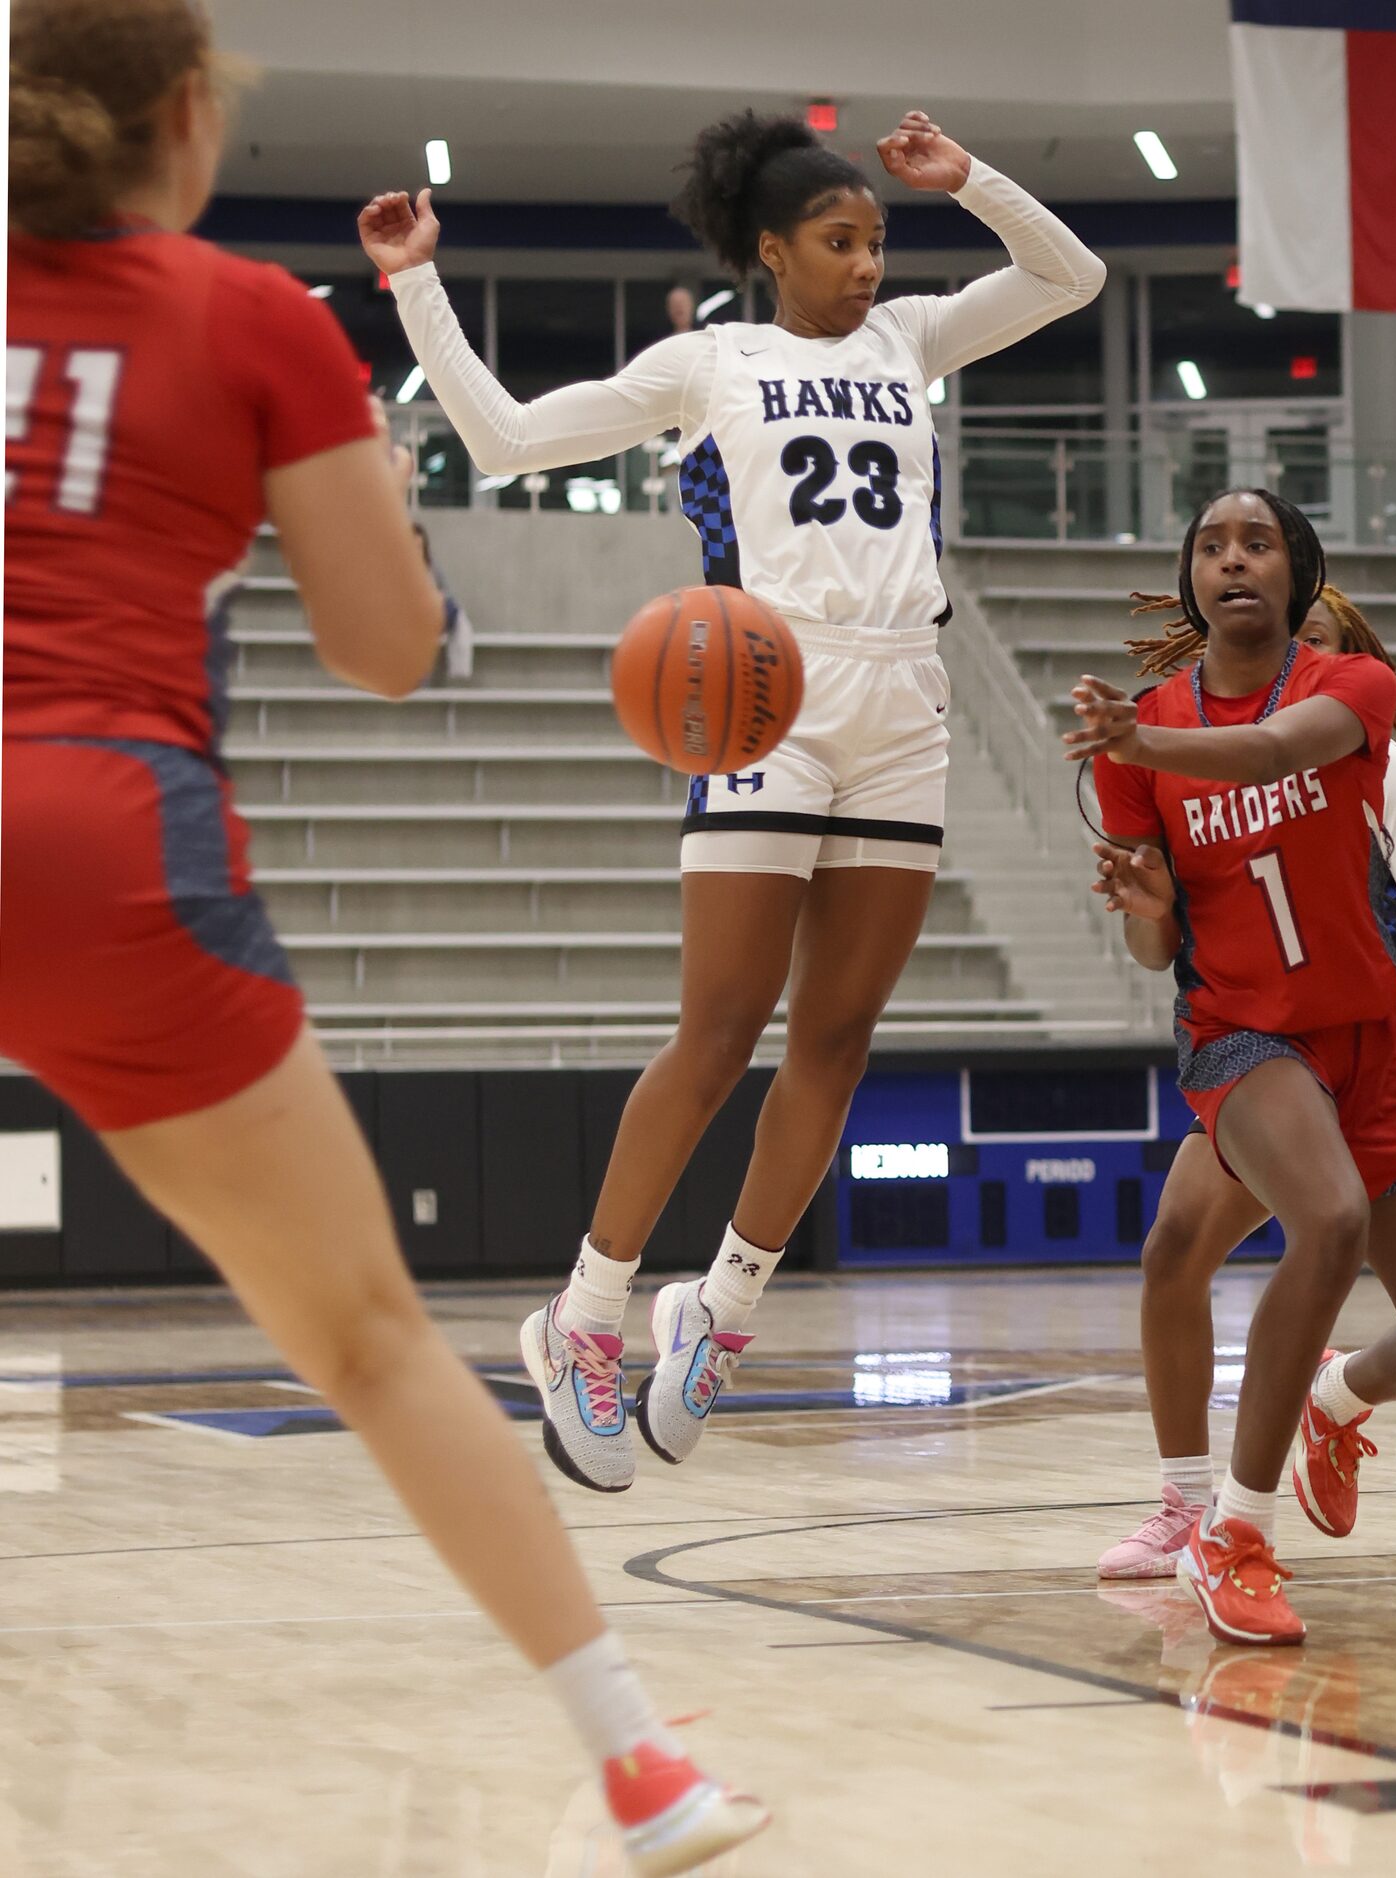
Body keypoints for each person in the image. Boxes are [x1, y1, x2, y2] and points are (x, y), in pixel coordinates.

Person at [1, 5, 764, 1869]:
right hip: (97, 823)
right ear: (190, 119)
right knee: (364, 1336)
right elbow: (379, 644)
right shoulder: (247, 316)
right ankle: (638, 1763)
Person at [360, 109, 1107, 1492]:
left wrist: (975, 183)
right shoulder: (712, 365)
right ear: (772, 253)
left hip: (908, 709)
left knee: (838, 1040)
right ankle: (582, 1317)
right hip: (769, 696)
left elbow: (1074, 281)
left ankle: (721, 1313)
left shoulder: (913, 342)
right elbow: (510, 439)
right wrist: (417, 283)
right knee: (720, 1029)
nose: (870, 263)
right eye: (842, 240)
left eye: (880, 239)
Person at [1067, 487, 1396, 1647]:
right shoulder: (1142, 736)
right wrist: (1149, 908)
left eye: (1256, 542)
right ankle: (1229, 1531)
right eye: (1210, 546)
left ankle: (1334, 1396)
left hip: (1369, 1043)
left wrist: (1140, 739)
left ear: (1298, 575)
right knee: (1325, 1219)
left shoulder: (1345, 690)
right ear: (1190, 578)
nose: (1232, 560)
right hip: (1242, 1039)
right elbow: (1155, 944)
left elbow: (1267, 750)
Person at [1092, 586, 1396, 1585]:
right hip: (1260, 1046)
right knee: (1176, 1247)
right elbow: (1170, 930)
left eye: (1316, 650)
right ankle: (1192, 1504)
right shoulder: (1206, 769)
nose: (1294, 678)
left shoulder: (1377, 765)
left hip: (1369, 1035)